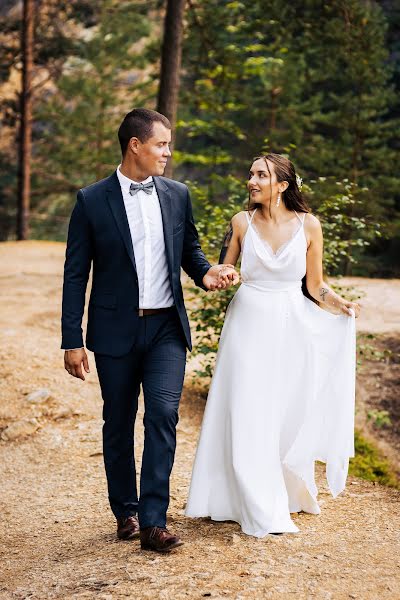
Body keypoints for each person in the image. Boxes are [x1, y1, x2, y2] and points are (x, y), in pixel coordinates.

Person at [61, 108, 238, 553]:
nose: (167, 152)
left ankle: (155, 522)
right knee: (118, 421)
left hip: (166, 329)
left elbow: (190, 251)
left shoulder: (177, 194)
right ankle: (127, 511)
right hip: (114, 331)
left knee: (162, 415)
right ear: (135, 145)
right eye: (161, 144)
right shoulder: (91, 200)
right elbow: (75, 274)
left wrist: (206, 274)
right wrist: (72, 339)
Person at [185, 153, 360, 537]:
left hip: (291, 325)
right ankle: (253, 501)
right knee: (248, 407)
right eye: (250, 174)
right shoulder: (240, 223)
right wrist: (225, 274)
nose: (252, 180)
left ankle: (283, 489)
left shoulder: (309, 226)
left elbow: (315, 286)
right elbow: (221, 270)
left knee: (283, 409)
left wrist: (339, 304)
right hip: (247, 322)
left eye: (261, 175)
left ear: (282, 185)